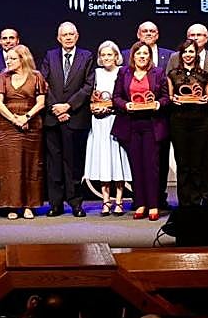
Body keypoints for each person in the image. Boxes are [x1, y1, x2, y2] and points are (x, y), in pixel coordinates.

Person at [38, 22, 95, 217]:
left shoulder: (86, 56)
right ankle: (56, 204)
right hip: (53, 118)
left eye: (72, 34)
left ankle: (76, 203)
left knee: (74, 163)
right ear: (58, 38)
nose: (68, 37)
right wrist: (56, 107)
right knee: (54, 163)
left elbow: (88, 86)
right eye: (65, 35)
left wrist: (68, 106)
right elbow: (43, 84)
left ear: (77, 36)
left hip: (75, 117)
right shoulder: (50, 56)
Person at [112, 41, 169, 221]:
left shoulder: (158, 73)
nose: (142, 56)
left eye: (146, 53)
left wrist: (158, 104)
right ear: (133, 56)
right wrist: (126, 105)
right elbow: (116, 97)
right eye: (139, 53)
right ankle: (140, 203)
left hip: (152, 125)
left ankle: (153, 205)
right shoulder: (124, 72)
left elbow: (166, 97)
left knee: (152, 167)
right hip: (131, 125)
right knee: (136, 166)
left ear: (150, 56)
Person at [166, 37, 208, 207]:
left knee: (197, 164)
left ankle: (197, 199)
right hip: (179, 123)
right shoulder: (173, 74)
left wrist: (204, 100)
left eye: (191, 51)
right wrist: (173, 99)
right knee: (183, 164)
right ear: (181, 54)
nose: (188, 55)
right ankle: (184, 201)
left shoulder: (204, 75)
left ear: (196, 53)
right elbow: (169, 97)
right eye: (185, 52)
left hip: (200, 123)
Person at [0, 44, 47, 219]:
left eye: (12, 58)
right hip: (7, 126)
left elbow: (40, 102)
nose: (8, 61)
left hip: (31, 126)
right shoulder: (3, 76)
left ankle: (28, 205)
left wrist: (26, 117)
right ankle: (11, 206)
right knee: (10, 167)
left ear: (22, 59)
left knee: (30, 165)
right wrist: (15, 119)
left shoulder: (36, 76)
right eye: (7, 58)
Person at [85, 41, 131, 215]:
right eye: (103, 55)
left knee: (117, 160)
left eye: (109, 54)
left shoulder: (123, 72)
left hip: (117, 120)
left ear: (116, 56)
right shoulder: (95, 73)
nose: (106, 58)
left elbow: (125, 95)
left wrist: (111, 108)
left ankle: (119, 200)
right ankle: (105, 201)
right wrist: (94, 107)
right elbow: (89, 95)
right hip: (99, 122)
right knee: (104, 160)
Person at [136, 22, 176, 209]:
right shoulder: (129, 55)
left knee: (159, 161)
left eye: (152, 31)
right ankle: (142, 200)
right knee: (140, 162)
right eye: (145, 31)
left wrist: (159, 103)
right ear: (138, 34)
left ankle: (159, 198)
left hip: (162, 118)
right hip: (136, 121)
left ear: (158, 34)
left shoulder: (169, 56)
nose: (149, 34)